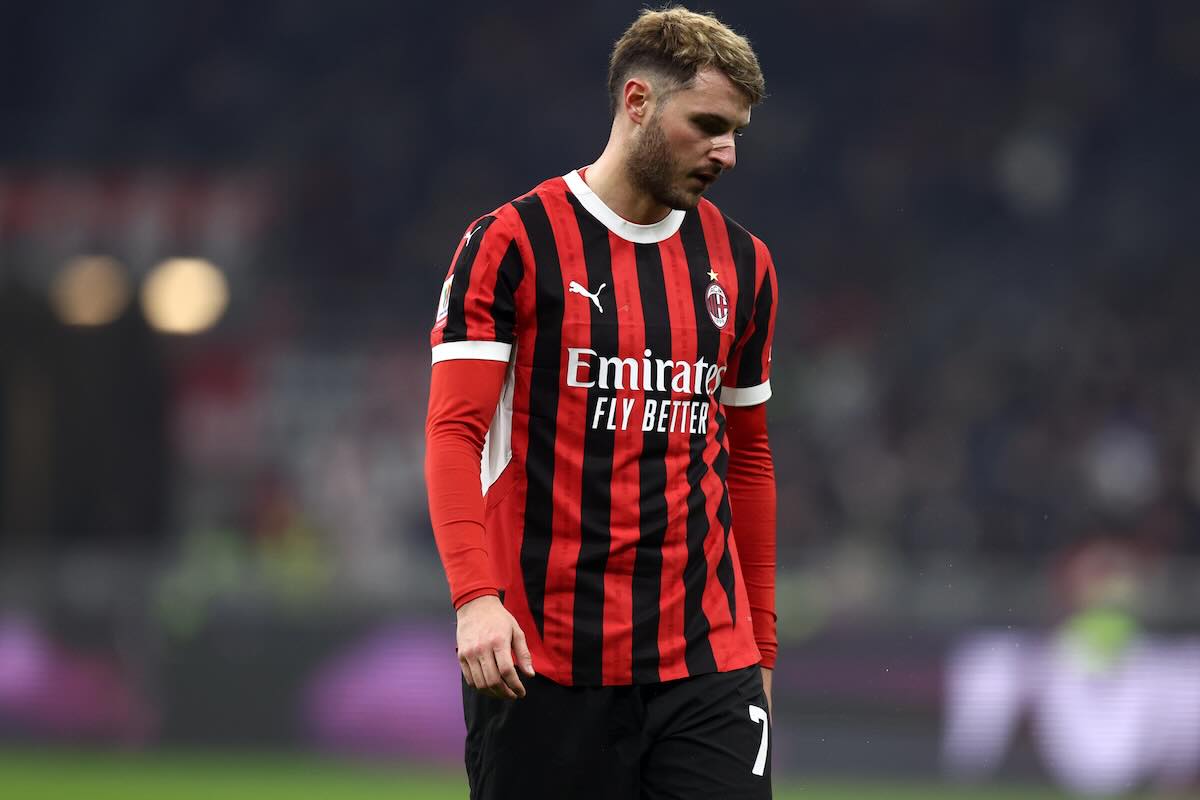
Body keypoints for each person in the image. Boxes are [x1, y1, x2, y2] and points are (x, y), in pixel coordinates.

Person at [424, 7, 779, 798]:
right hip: (541, 660)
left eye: (736, 132)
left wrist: (762, 644)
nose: (727, 152)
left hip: (705, 662)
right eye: (709, 125)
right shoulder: (510, 243)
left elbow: (749, 459)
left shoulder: (744, 264)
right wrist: (475, 599)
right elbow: (454, 433)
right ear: (638, 102)